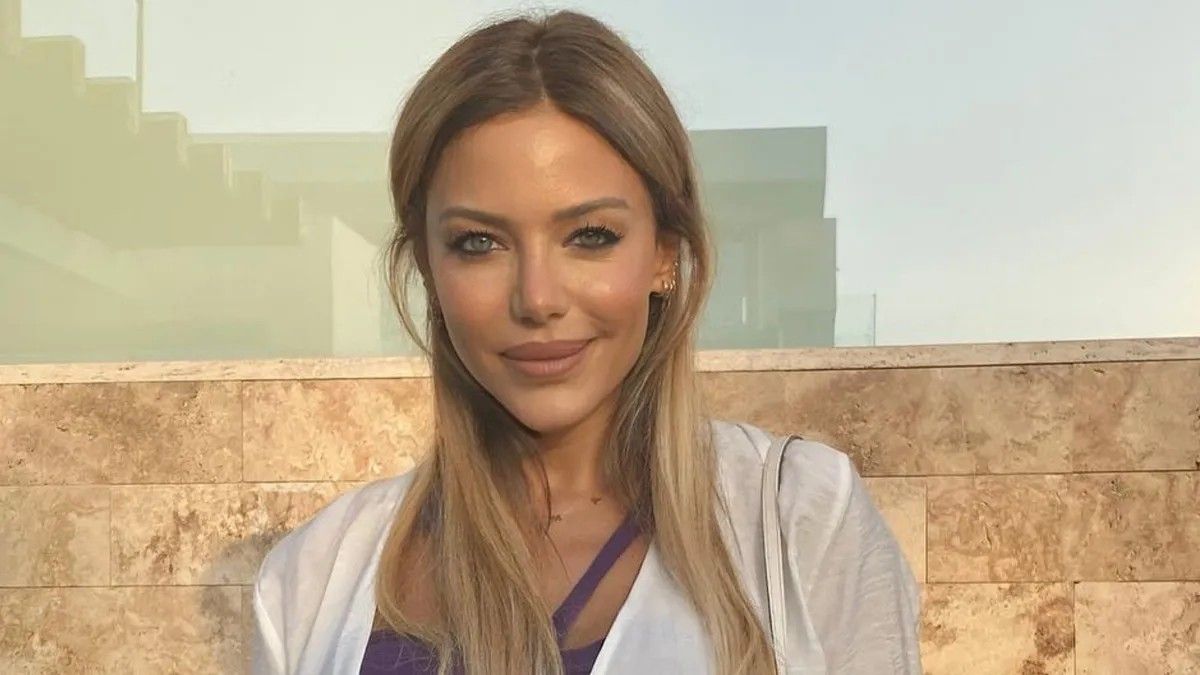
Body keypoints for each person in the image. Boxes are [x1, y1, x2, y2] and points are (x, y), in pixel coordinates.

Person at [251, 9, 921, 675]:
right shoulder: (308, 579)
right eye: (478, 243)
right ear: (427, 265)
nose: (537, 298)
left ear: (664, 252)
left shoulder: (801, 521)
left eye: (590, 236)